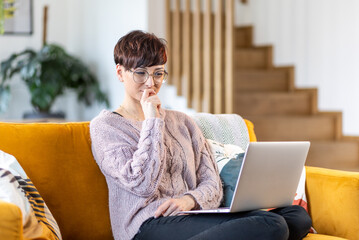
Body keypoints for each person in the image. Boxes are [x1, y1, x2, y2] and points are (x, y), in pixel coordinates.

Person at [90, 30, 312, 240]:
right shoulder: (106, 126)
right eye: (141, 73)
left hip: (194, 215)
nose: (151, 83)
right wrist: (152, 122)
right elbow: (142, 184)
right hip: (148, 223)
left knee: (296, 216)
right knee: (272, 225)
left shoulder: (182, 122)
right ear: (120, 72)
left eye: (158, 73)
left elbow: (212, 182)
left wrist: (189, 200)